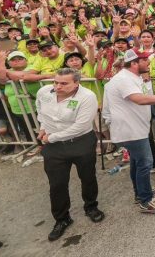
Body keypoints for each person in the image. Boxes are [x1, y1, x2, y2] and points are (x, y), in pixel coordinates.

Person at [102, 49, 155, 214]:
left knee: (137, 162)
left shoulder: (132, 77)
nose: (150, 62)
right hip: (130, 130)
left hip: (136, 128)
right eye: (145, 60)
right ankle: (146, 200)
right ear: (134, 63)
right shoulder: (123, 79)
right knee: (145, 163)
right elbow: (140, 99)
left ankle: (141, 191)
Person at [36, 68, 104, 241]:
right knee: (56, 184)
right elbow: (40, 111)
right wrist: (43, 127)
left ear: (76, 83)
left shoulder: (87, 97)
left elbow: (80, 126)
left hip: (80, 143)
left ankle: (91, 207)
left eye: (64, 83)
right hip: (53, 147)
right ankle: (62, 219)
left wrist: (52, 137)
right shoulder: (44, 92)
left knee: (87, 177)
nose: (58, 86)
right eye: (56, 82)